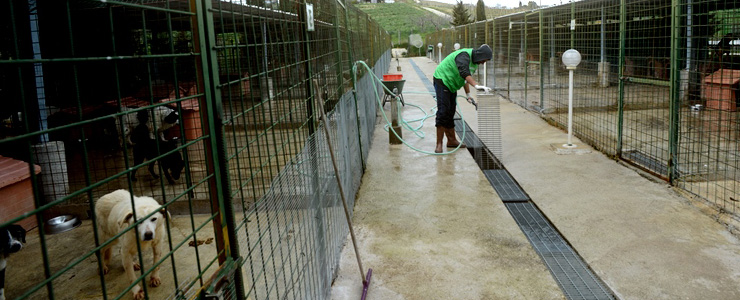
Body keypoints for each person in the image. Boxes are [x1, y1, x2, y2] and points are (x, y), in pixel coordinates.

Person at [432, 44, 492, 153]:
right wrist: (476, 85)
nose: (483, 63)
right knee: (443, 112)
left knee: (450, 112)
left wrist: (468, 94)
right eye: (484, 60)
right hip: (443, 79)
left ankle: (451, 141)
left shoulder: (475, 62)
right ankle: (439, 144)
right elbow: (463, 72)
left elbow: (465, 78)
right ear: (480, 55)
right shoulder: (464, 55)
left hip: (452, 84)